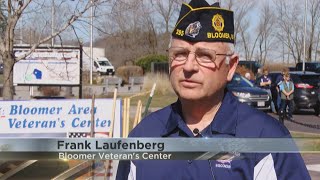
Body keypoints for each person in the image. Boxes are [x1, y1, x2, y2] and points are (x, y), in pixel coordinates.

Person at [116, 1, 310, 179]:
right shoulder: (143, 135)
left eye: (204, 56)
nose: (189, 66)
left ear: (231, 66)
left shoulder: (265, 138)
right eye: (180, 54)